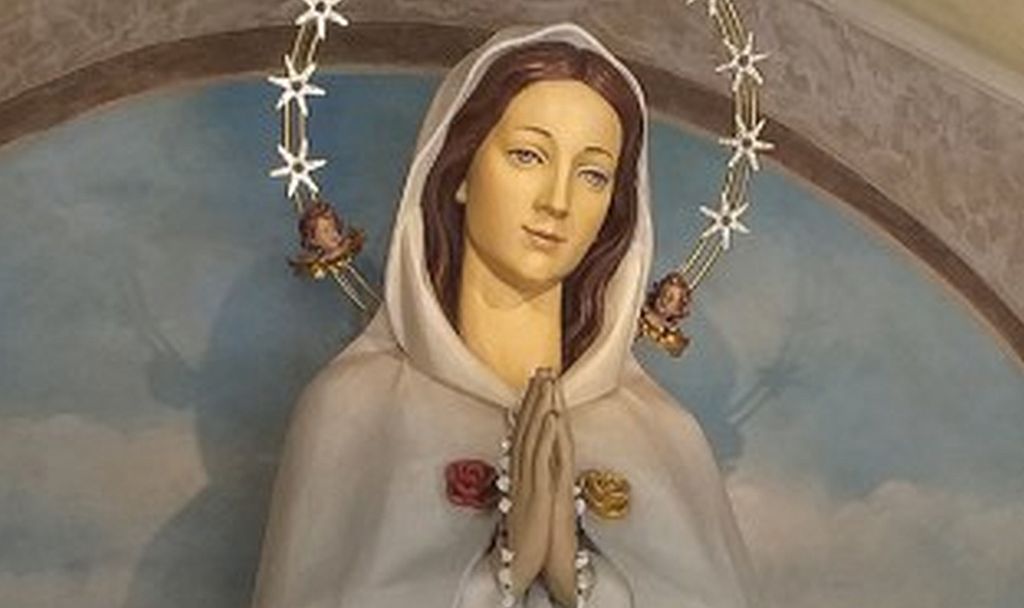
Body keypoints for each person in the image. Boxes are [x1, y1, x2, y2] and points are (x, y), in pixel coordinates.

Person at [251, 23, 759, 608]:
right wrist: (506, 575)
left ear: (614, 211)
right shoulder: (353, 408)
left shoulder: (666, 438)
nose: (557, 201)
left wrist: (578, 580)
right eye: (527, 156)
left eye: (593, 175)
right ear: (461, 169)